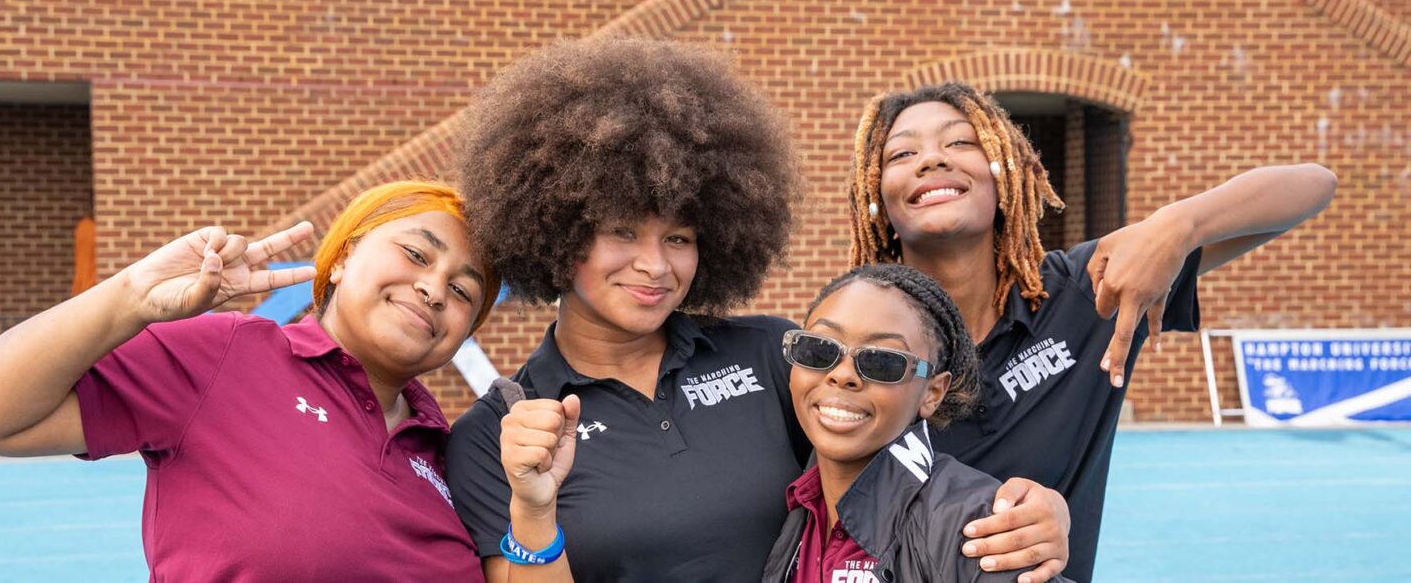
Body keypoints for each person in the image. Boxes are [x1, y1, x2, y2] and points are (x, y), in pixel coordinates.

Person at [445, 37, 1069, 583]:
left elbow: (910, 444)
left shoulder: (772, 353)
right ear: (556, 232)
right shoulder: (501, 430)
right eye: (623, 232)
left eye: (679, 238)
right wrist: (533, 509)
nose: (655, 265)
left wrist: (1031, 510)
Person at [847, 81, 1338, 581]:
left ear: (1006, 173)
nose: (932, 159)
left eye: (960, 142)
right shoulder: (851, 345)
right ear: (875, 197)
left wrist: (1179, 225)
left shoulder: (1087, 293)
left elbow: (1314, 185)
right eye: (902, 153)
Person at [0, 181, 500, 581]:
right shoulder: (225, 355)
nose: (434, 290)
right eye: (415, 254)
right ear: (345, 258)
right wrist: (133, 296)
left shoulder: (455, 451)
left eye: (462, 291)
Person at [763, 263, 1071, 583]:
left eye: (883, 362)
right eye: (818, 349)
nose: (842, 374)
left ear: (932, 393)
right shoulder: (797, 506)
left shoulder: (977, 527)